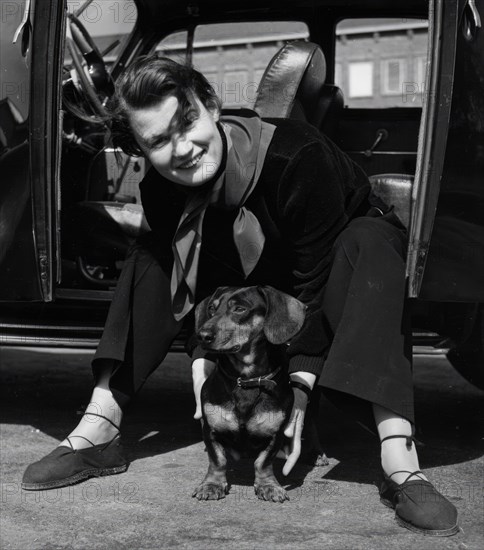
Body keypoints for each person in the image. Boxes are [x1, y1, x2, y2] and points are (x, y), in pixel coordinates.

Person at [23, 56, 458, 536]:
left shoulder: (297, 158)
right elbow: (198, 280)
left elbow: (313, 278)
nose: (183, 147)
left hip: (335, 270)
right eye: (159, 142)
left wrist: (299, 386)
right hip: (248, 288)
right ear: (142, 153)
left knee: (372, 243)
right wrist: (202, 352)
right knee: (150, 252)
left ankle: (400, 460)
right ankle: (99, 427)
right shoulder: (162, 190)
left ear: (209, 105)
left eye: (186, 123)